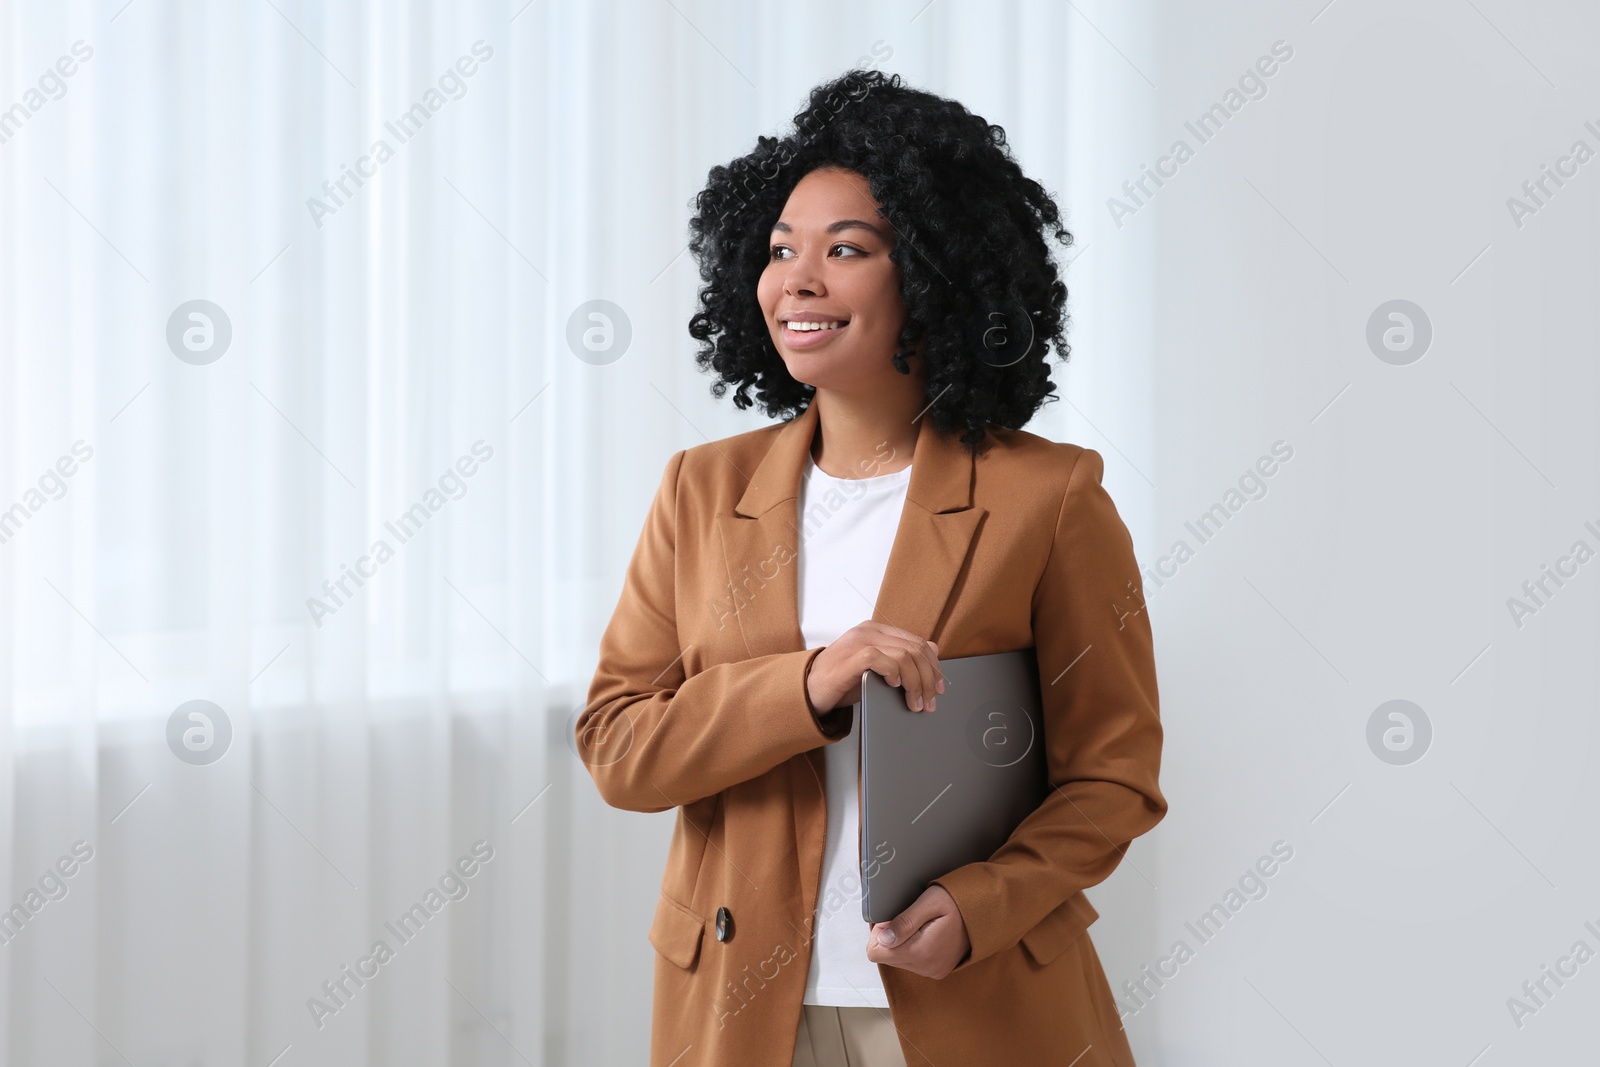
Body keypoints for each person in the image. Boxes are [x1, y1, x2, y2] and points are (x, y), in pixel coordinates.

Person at [578, 69, 1166, 1067]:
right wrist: (806, 684)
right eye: (777, 252)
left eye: (845, 250)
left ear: (936, 275)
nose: (797, 280)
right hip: (743, 1000)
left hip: (967, 999)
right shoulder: (699, 489)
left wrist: (981, 903)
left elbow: (1113, 776)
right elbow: (618, 744)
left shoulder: (1049, 497)